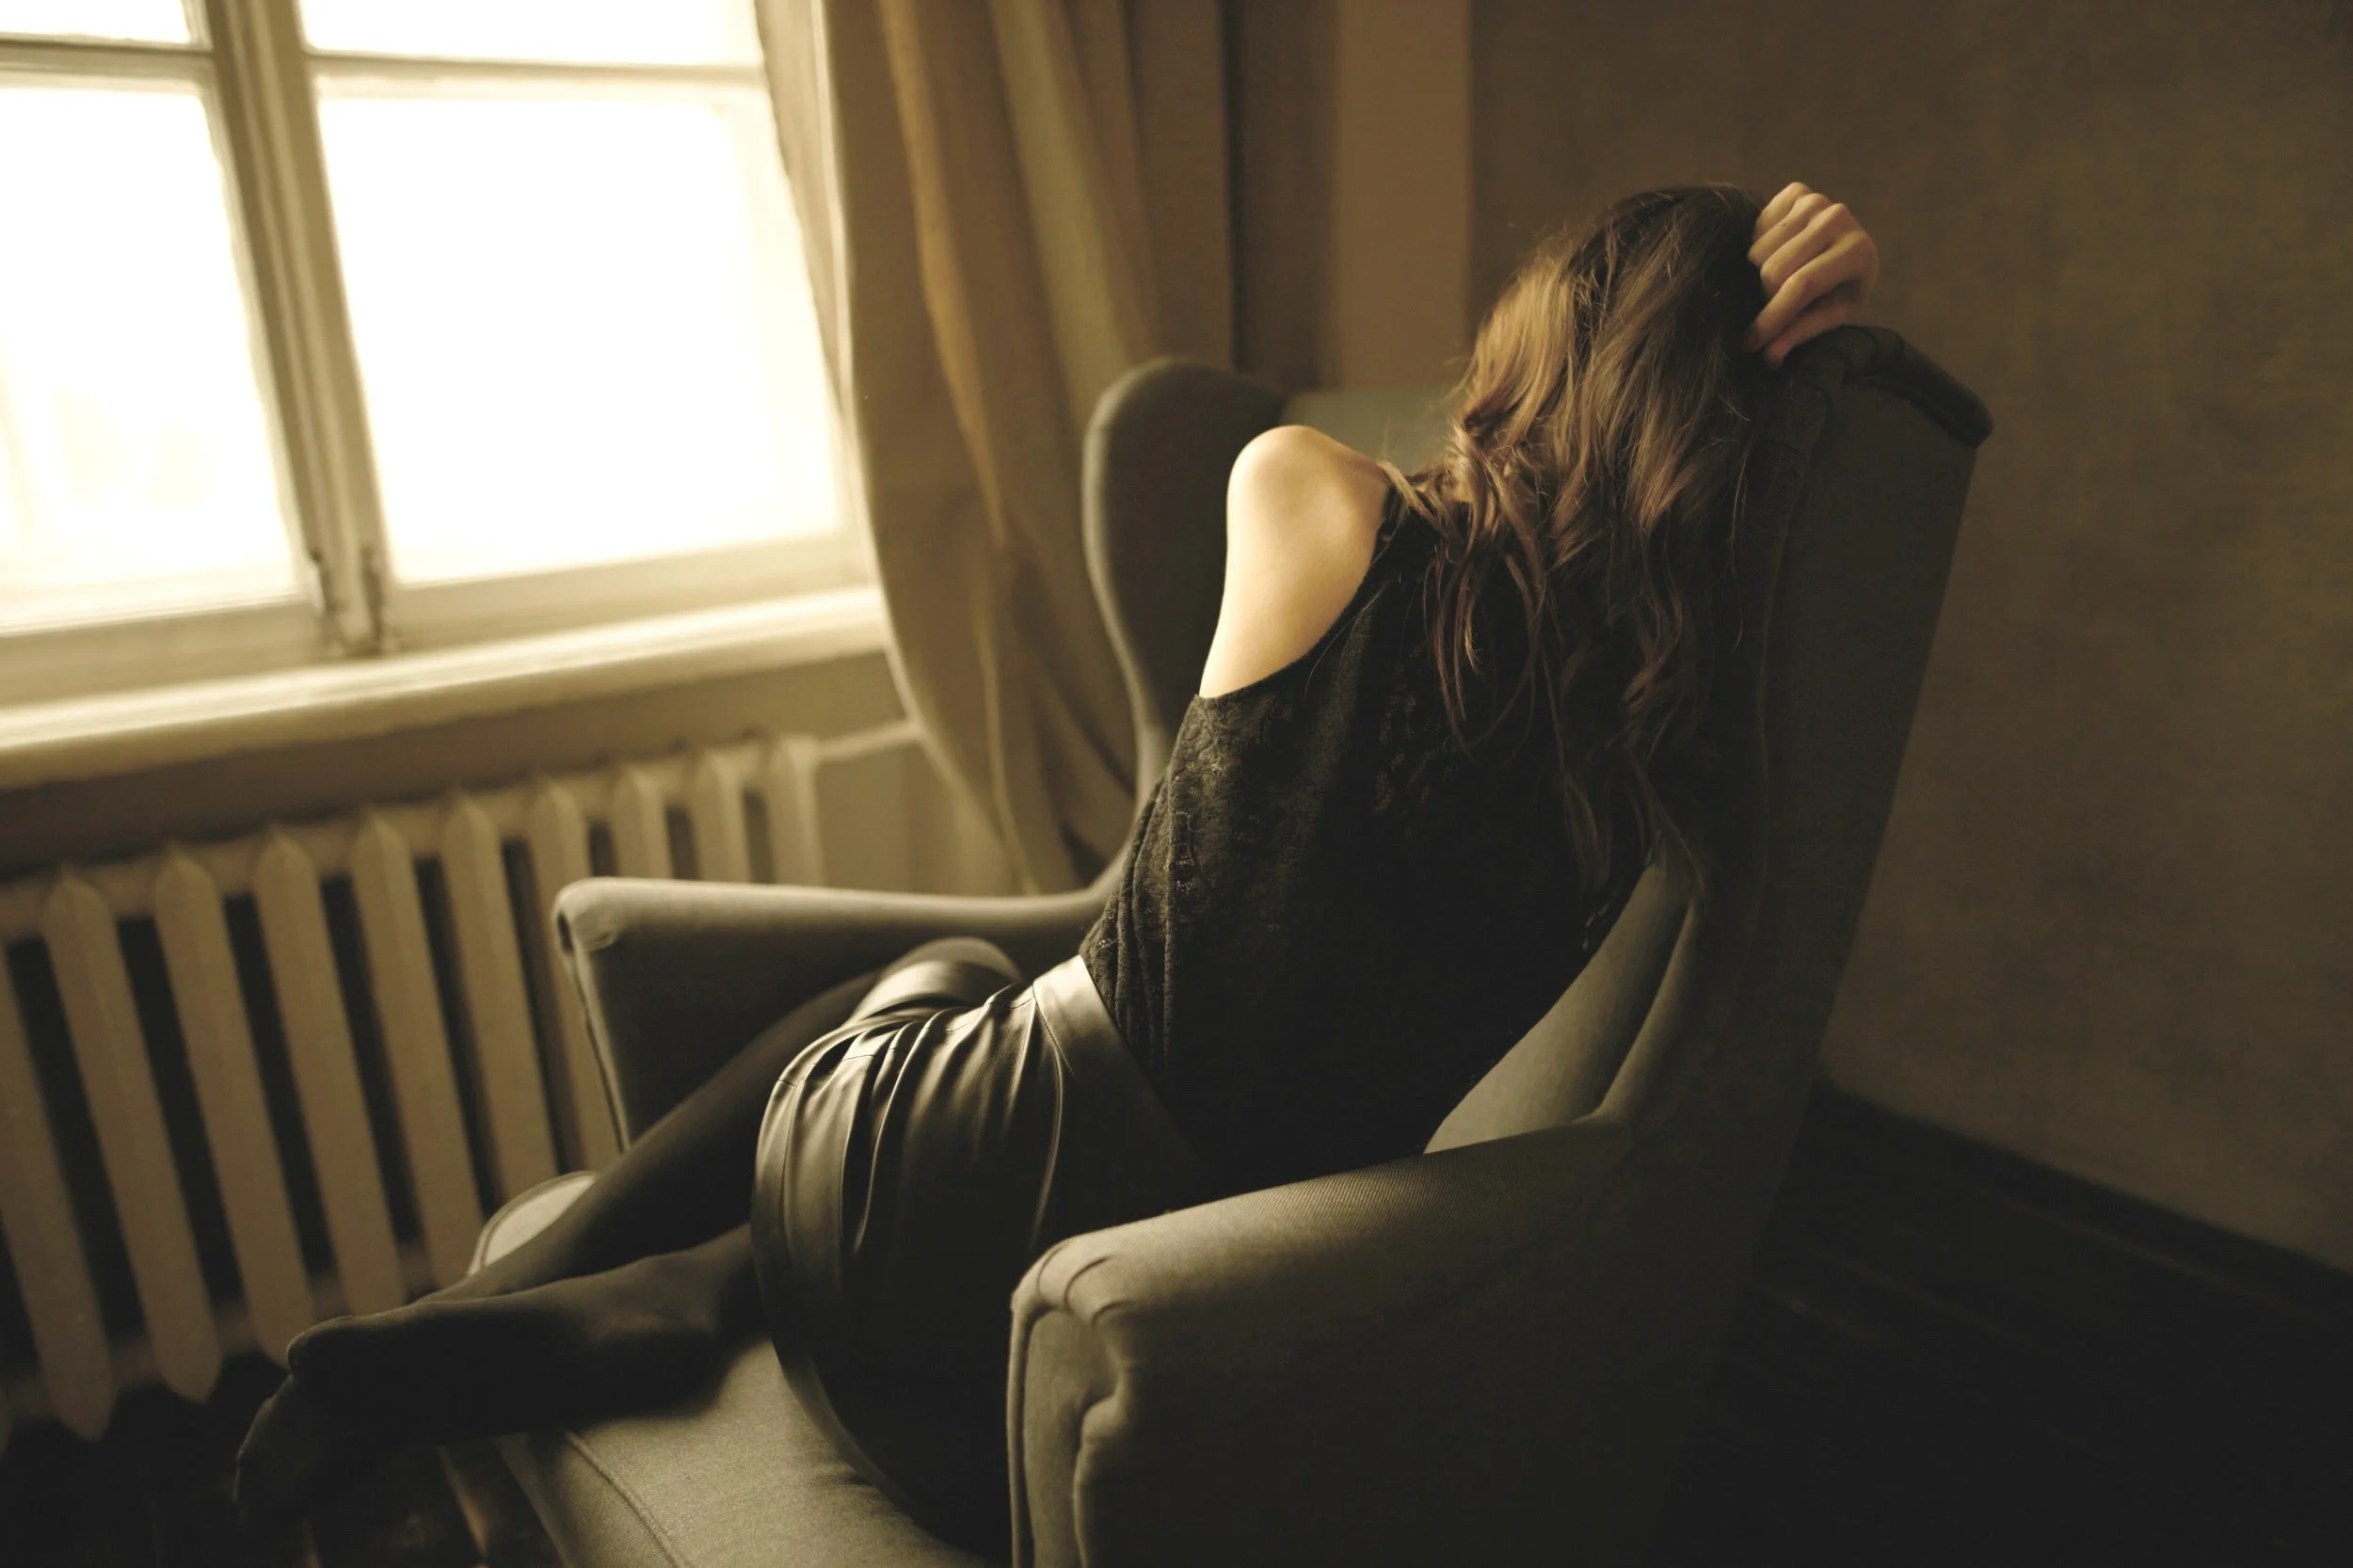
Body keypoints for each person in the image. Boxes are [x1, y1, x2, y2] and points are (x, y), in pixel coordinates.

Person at [234, 181, 1879, 1551]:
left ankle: (571, 1280)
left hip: (929, 1198)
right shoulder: (1654, 773)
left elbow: (1204, 842)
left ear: (1544, 356)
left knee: (935, 984)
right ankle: (701, 1281)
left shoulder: (1306, 491)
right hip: (1049, 1364)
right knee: (966, 1008)